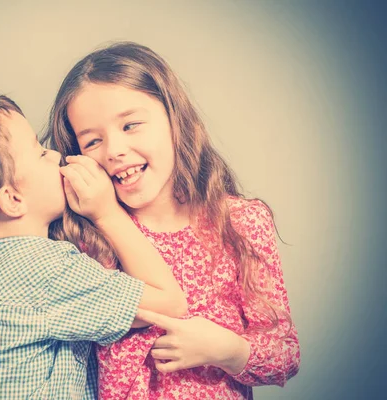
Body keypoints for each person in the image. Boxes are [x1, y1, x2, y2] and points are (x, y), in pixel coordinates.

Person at [43, 41, 300, 399]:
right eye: (92, 141)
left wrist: (227, 349)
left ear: (174, 119)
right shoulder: (86, 238)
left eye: (130, 125)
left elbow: (285, 355)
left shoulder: (240, 222)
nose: (114, 150)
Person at [0, 86, 187, 399]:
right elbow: (170, 304)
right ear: (14, 199)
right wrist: (108, 213)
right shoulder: (42, 268)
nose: (57, 155)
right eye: (40, 152)